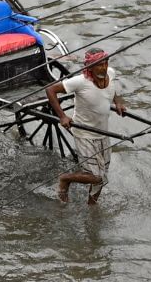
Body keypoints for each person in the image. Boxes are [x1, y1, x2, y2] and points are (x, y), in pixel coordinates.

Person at [45, 48, 127, 204]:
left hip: (102, 132)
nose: (102, 68)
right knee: (96, 176)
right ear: (89, 67)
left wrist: (117, 102)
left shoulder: (110, 73)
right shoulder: (80, 82)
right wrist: (62, 116)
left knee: (103, 176)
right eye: (98, 65)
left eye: (104, 64)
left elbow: (112, 89)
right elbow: (50, 90)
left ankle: (92, 205)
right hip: (84, 133)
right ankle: (65, 178)